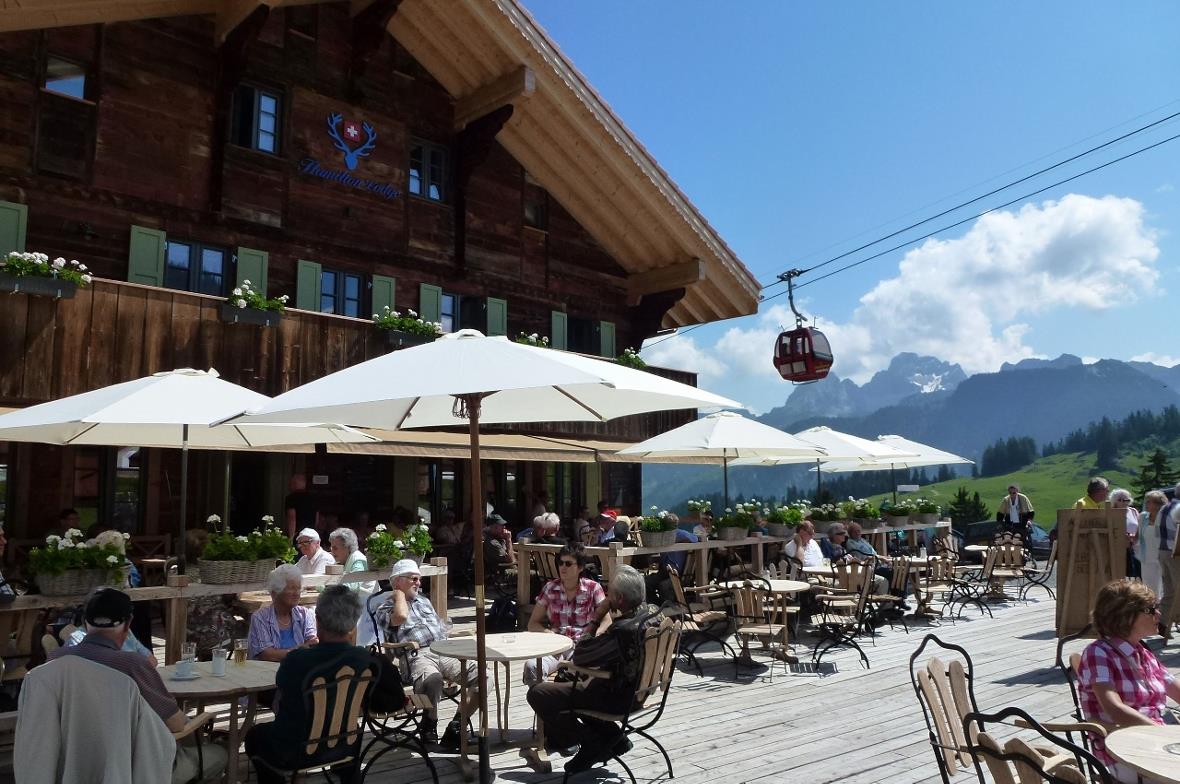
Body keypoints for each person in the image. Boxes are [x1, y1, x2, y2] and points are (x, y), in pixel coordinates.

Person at [49, 588, 228, 782]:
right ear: (128, 625)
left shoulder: (55, 661)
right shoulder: (131, 665)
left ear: (84, 622)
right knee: (219, 754)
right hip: (136, 769)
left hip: (72, 767)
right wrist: (202, 719)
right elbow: (175, 725)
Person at [526, 565, 661, 773]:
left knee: (537, 693)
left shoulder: (624, 630)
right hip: (640, 691)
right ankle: (615, 738)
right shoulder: (653, 613)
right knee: (564, 681)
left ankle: (591, 743)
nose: (607, 597)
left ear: (620, 599)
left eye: (611, 594)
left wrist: (597, 617)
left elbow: (581, 655)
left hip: (617, 699)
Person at [245, 585, 372, 784]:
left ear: (318, 620)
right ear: (353, 623)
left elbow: (282, 693)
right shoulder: (365, 659)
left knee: (254, 735)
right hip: (345, 744)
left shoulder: (297, 660)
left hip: (294, 750)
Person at [1076, 579, 1180, 783]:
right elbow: (1114, 708)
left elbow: (1176, 690)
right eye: (1151, 609)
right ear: (1126, 615)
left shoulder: (1143, 654)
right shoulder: (1099, 653)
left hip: (1156, 744)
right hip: (1121, 751)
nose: (1158, 614)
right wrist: (1163, 734)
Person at [375, 559, 478, 749]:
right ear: (398, 581)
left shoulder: (424, 601)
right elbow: (400, 618)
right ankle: (430, 724)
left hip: (445, 650)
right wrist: (398, 596)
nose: (418, 583)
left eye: (419, 579)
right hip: (417, 654)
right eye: (414, 579)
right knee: (433, 679)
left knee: (483, 675)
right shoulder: (385, 608)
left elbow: (441, 627)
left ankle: (456, 727)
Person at [524, 543, 608, 685]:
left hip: (582, 647)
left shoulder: (593, 588)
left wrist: (594, 637)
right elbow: (532, 624)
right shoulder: (550, 588)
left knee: (582, 670)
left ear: (580, 567)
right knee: (531, 667)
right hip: (557, 646)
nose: (562, 567)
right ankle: (544, 701)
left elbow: (607, 621)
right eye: (560, 563)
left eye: (568, 564)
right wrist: (549, 633)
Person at [248, 564, 318, 661]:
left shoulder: (305, 614)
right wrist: (300, 650)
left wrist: (295, 651)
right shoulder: (260, 618)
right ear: (275, 593)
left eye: (298, 588)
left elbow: (313, 644)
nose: (296, 593)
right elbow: (267, 655)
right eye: (292, 588)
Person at [328, 527, 378, 646]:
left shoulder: (358, 559)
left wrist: (326, 587)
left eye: (335, 548)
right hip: (352, 604)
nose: (331, 551)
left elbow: (352, 585)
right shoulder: (344, 560)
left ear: (348, 548)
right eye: (331, 547)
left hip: (365, 607)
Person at [1158, 486, 1180, 638]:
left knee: (1169, 590)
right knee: (1177, 590)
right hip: (1176, 553)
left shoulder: (1164, 507)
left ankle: (1163, 623)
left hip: (1163, 551)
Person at [1140, 490, 1169, 595]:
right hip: (1146, 557)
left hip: (1164, 556)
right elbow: (1137, 536)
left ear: (1158, 504)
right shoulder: (1143, 517)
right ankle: (1151, 609)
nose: (1146, 504)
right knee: (1149, 587)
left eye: (1149, 502)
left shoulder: (1166, 518)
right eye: (1146, 502)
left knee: (1165, 587)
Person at [1110, 489, 1141, 580]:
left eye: (1126, 500)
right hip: (1118, 548)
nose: (1123, 502)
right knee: (1122, 574)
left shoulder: (1133, 511)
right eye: (1120, 500)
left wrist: (1134, 536)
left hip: (1135, 547)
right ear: (1114, 501)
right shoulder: (1111, 513)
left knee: (1136, 574)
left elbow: (1140, 526)